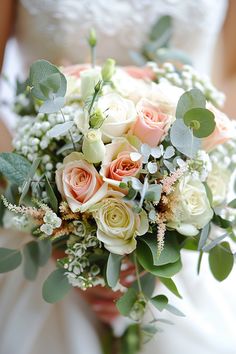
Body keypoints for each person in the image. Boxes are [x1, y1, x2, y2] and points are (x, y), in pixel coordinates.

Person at [0, 1, 236, 354]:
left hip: (185, 198)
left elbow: (230, 77)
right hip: (39, 201)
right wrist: (56, 224)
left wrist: (160, 237)